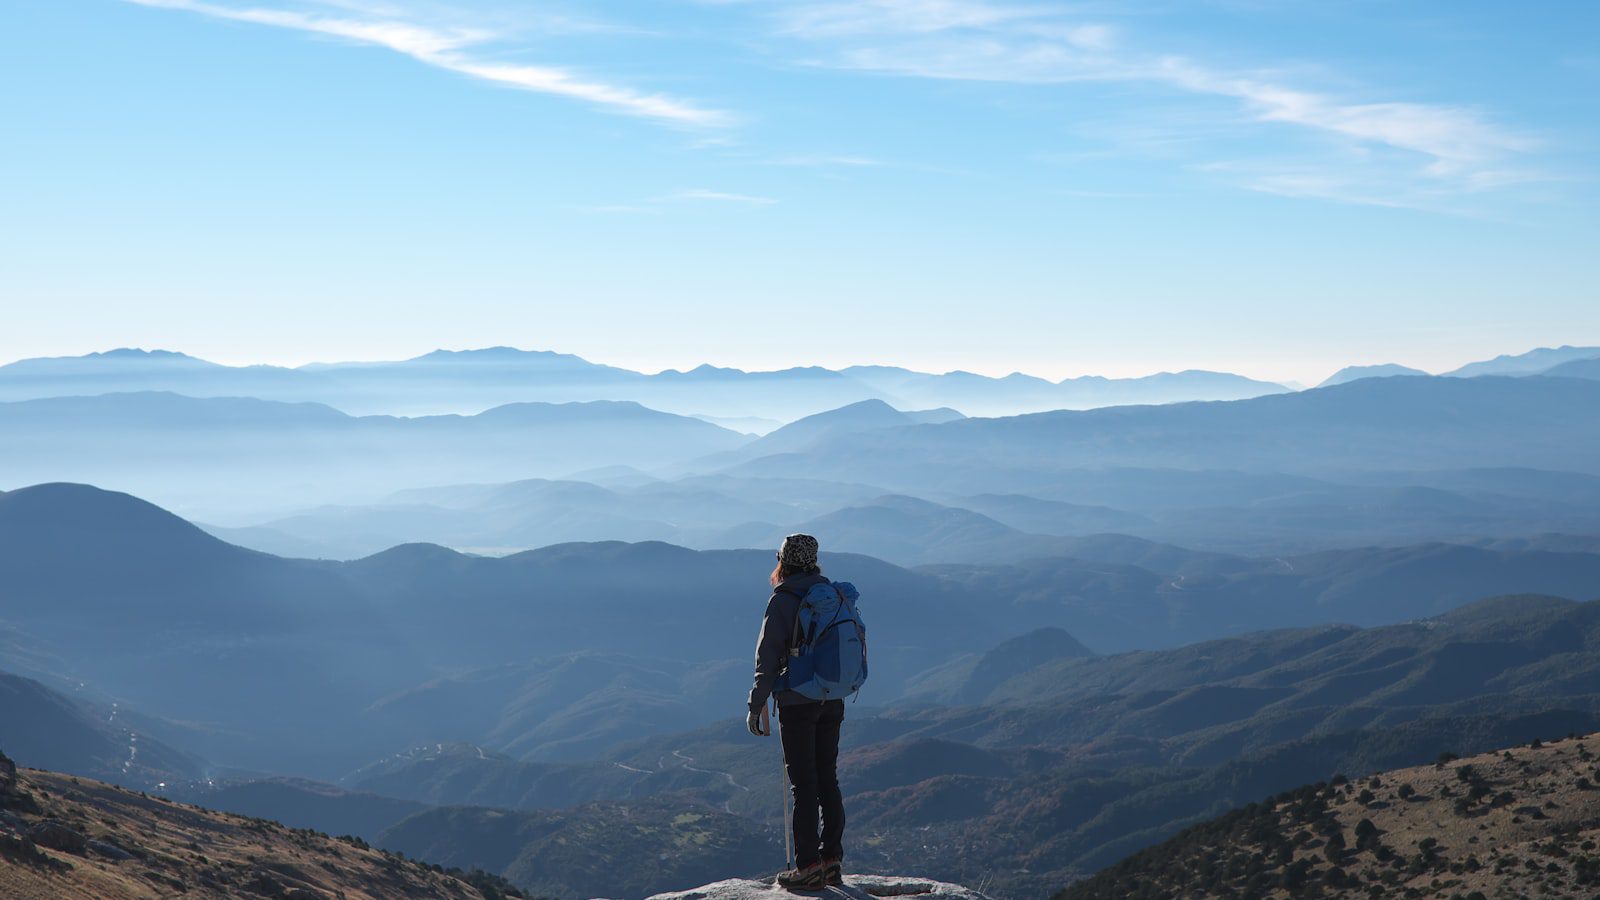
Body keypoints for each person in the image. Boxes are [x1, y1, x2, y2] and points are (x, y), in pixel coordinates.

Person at [748, 533, 847, 891]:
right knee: (827, 779)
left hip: (796, 703)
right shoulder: (831, 595)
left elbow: (768, 658)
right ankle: (832, 860)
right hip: (832, 699)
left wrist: (756, 704)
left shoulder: (784, 600)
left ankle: (807, 866)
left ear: (783, 562)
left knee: (803, 785)